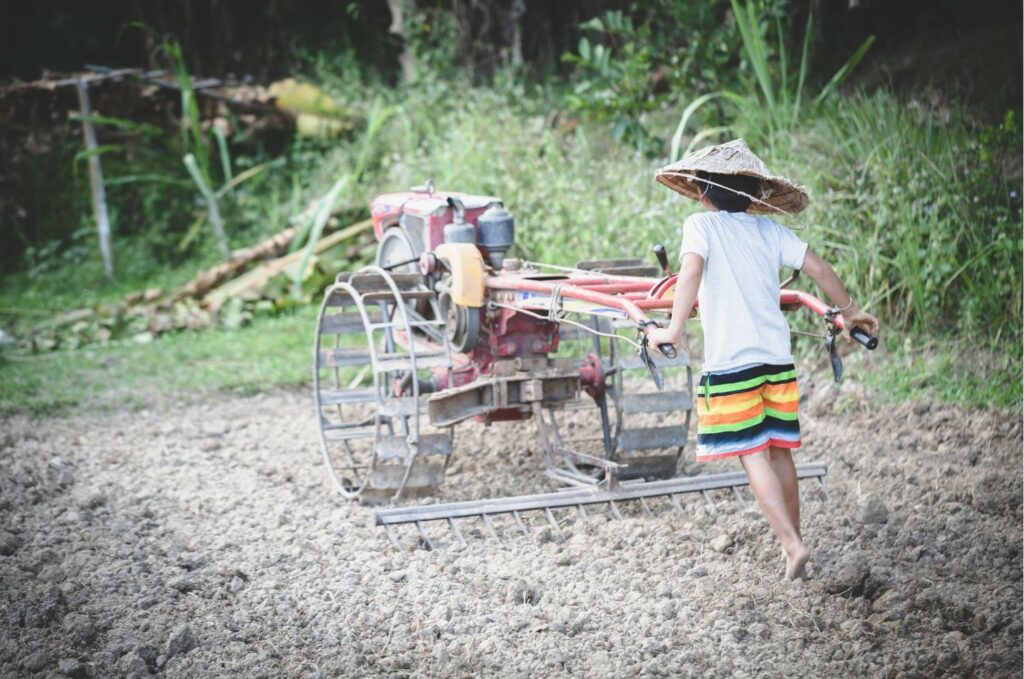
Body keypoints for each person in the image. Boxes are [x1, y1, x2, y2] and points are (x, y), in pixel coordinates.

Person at [647, 139, 880, 580]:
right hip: (776, 361)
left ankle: (792, 546)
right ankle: (793, 543)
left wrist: (673, 330)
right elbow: (820, 270)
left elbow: (691, 274)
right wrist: (849, 311)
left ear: (701, 191)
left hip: (731, 364)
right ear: (755, 194)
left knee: (752, 454)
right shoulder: (771, 232)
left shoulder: (701, 226)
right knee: (779, 452)